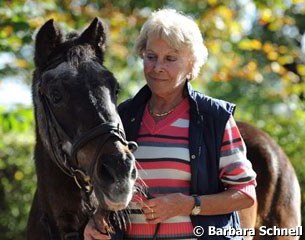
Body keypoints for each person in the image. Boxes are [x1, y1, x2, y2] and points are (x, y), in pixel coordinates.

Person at [84, 8, 257, 240]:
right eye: (151, 56)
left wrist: (187, 205)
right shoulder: (122, 116)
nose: (157, 68)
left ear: (191, 64)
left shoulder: (214, 117)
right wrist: (97, 218)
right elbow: (106, 186)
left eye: (170, 59)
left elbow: (245, 194)